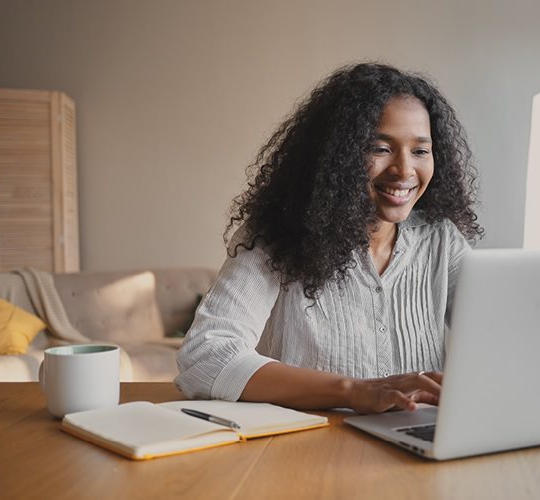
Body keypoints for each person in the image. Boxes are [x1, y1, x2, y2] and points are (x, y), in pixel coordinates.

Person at [175, 63, 483, 414]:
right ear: (338, 155)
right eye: (380, 148)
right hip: (305, 448)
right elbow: (206, 357)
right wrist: (353, 391)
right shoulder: (275, 237)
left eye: (420, 150)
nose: (404, 170)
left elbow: (502, 343)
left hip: (417, 444)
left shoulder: (442, 240)